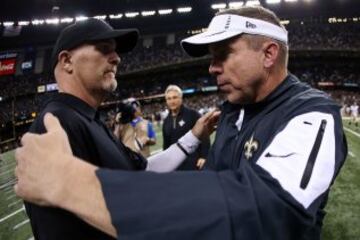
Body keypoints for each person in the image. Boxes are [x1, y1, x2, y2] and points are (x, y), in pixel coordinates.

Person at [15, 6, 347, 240]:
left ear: (269, 53)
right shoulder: (232, 110)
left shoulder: (312, 115)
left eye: (223, 54)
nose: (212, 68)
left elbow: (273, 208)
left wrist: (76, 185)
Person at [24, 18, 219, 240]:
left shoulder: (88, 119)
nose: (116, 58)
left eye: (115, 51)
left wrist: (194, 136)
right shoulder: (56, 124)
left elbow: (141, 172)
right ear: (67, 61)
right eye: (104, 49)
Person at [163, 85, 210, 169]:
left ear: (181, 98)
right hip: (175, 165)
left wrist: (204, 156)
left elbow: (204, 135)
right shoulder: (166, 121)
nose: (172, 101)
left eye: (174, 97)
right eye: (169, 99)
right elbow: (166, 145)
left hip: (194, 162)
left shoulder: (192, 114)